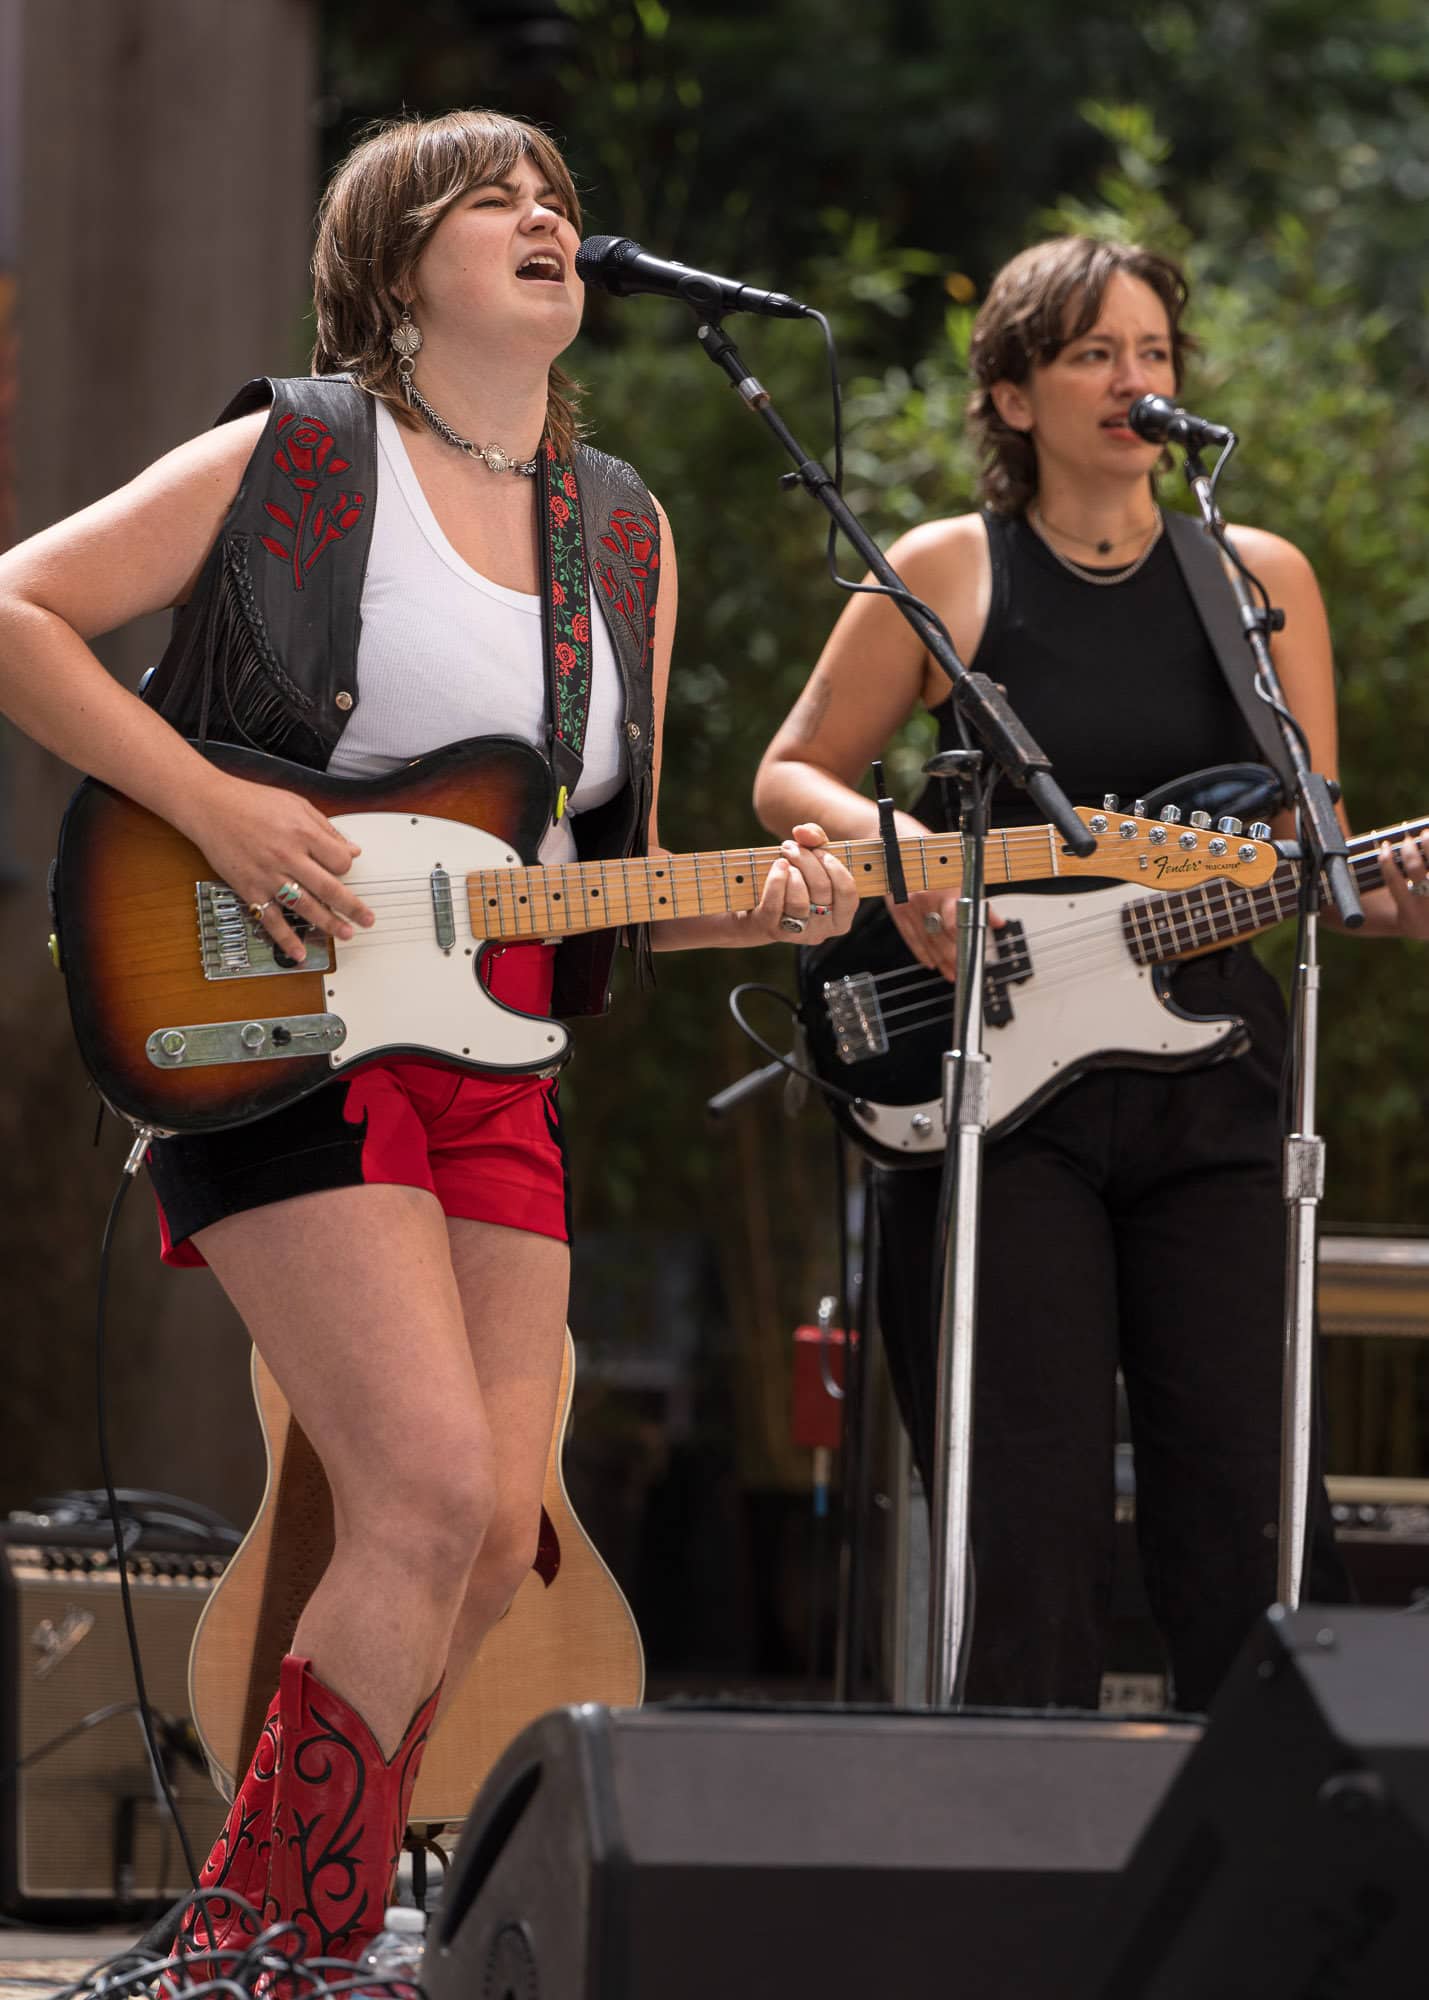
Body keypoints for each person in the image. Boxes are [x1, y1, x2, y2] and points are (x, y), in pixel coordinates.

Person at [0, 111, 856, 1969]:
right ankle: (269, 1949)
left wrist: (773, 898)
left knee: (492, 1542)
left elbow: (589, 866)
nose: (547, 219)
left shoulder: (621, 526)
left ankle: (267, 1927)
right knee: (429, 1489)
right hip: (268, 1017)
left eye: (558, 199)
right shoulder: (297, 456)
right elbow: (19, 610)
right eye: (495, 201)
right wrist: (216, 810)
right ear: (394, 270)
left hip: (496, 1054)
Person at [754, 235, 1429, 1712]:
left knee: (1248, 1500)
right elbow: (791, 771)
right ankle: (1014, 1887)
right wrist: (912, 863)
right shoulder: (946, 570)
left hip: (1218, 1084)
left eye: (1155, 355)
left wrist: (1385, 900)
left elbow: (1313, 853)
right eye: (1092, 354)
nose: (1135, 381)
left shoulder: (1255, 581)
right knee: (1027, 1503)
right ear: (1009, 394)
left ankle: (1268, 1868)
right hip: (998, 1095)